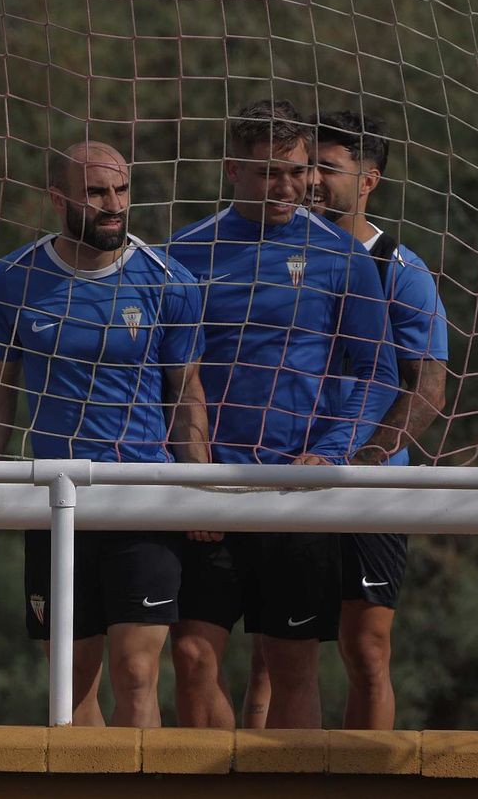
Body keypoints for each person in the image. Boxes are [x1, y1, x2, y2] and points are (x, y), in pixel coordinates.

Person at [167, 100, 397, 729]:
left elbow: (380, 372)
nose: (291, 187)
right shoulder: (182, 255)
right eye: (271, 173)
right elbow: (163, 375)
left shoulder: (340, 257)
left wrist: (331, 453)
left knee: (290, 665)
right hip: (208, 488)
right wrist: (188, 466)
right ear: (232, 169)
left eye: (299, 172)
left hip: (298, 489)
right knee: (192, 657)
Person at [0, 141, 208, 727]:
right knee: (71, 684)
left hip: (141, 499)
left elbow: (186, 395)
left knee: (137, 674)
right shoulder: (13, 279)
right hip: (58, 503)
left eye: (122, 190)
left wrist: (202, 483)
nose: (114, 205)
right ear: (59, 199)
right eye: (97, 192)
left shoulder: (167, 282)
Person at [308, 110, 449, 729]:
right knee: (273, 656)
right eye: (305, 165)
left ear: (369, 180)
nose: (310, 179)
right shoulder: (284, 258)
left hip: (370, 482)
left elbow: (428, 388)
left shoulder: (403, 269)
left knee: (366, 650)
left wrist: (360, 461)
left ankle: (367, 778)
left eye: (327, 168)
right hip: (284, 466)